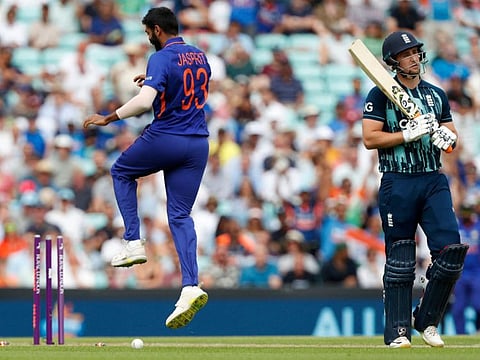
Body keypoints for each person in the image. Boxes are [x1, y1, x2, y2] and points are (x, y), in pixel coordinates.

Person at [83, 7, 211, 329]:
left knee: (121, 171)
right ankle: (190, 286)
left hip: (168, 136)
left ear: (156, 29)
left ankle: (132, 242)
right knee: (180, 216)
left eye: (147, 33)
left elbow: (143, 103)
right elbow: (184, 91)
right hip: (198, 143)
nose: (148, 39)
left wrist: (109, 117)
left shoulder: (161, 57)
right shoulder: (200, 55)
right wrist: (152, 84)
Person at [361, 30, 469, 348]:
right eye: (407, 54)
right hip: (398, 180)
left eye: (416, 52)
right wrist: (406, 135)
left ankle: (427, 320)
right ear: (393, 62)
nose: (414, 58)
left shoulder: (436, 94)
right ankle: (398, 330)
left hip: (433, 178)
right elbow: (370, 138)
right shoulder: (379, 94)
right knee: (401, 258)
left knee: (450, 252)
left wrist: (448, 140)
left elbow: (451, 137)